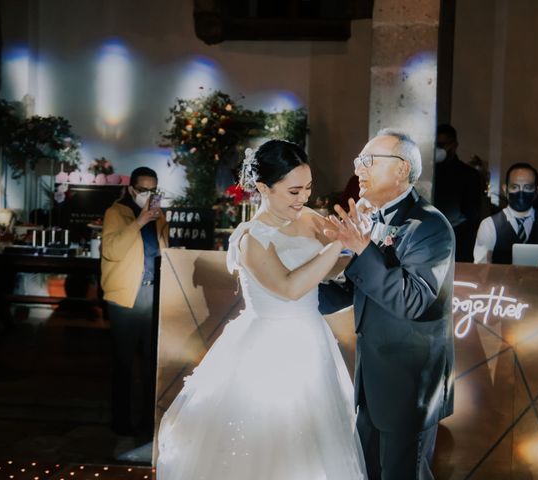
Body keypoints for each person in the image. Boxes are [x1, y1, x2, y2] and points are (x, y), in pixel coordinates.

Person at [157, 140, 366, 479]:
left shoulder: (310, 218)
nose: (303, 199)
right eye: (294, 191)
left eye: (308, 189)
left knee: (313, 439)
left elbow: (324, 269)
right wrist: (340, 246)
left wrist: (353, 243)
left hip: (312, 339)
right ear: (263, 188)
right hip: (268, 344)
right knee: (265, 439)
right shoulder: (250, 237)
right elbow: (288, 287)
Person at [321, 128, 456, 480]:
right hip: (373, 379)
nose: (359, 170)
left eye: (368, 161)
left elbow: (412, 299)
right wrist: (294, 296)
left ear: (401, 169)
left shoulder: (430, 225)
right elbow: (355, 288)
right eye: (358, 162)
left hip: (409, 383)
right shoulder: (376, 220)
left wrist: (364, 249)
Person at [101, 166, 168, 436]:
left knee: (153, 365)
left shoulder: (160, 217)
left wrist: (158, 222)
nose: (147, 195)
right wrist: (139, 221)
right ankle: (121, 422)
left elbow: (165, 252)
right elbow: (112, 251)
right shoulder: (117, 212)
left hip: (154, 296)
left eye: (153, 190)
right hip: (125, 298)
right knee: (123, 364)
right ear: (131, 189)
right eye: (142, 190)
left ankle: (147, 422)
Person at [474, 162, 538, 264]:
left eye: (527, 187)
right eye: (514, 187)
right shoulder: (489, 225)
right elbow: (481, 269)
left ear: (537, 191)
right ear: (505, 189)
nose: (521, 192)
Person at [434, 124, 484, 262]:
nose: (438, 149)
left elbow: (472, 216)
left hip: (458, 247)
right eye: (435, 144)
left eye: (441, 145)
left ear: (454, 145)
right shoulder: (426, 174)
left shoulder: (469, 175)